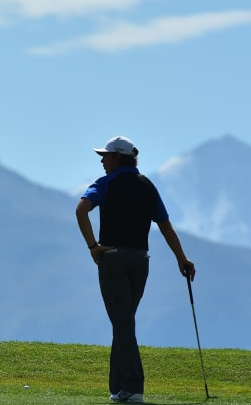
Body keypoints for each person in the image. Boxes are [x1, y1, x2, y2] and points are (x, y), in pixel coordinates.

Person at [75, 136, 195, 404]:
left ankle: (134, 387)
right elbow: (165, 226)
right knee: (124, 322)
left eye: (105, 156)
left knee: (123, 323)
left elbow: (81, 210)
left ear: (118, 157)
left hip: (113, 260)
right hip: (141, 262)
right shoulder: (148, 186)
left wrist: (93, 246)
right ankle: (118, 388)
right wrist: (182, 259)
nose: (102, 160)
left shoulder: (106, 182)